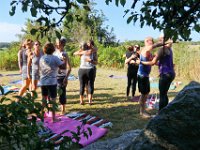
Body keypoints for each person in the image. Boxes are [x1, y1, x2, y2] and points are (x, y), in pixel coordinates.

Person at [137, 37, 169, 118]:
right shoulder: (145, 49)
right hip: (142, 76)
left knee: (146, 93)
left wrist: (163, 65)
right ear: (147, 42)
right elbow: (156, 45)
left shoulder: (149, 52)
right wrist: (166, 42)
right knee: (144, 94)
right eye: (152, 41)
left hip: (145, 76)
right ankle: (142, 112)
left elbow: (153, 62)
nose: (153, 42)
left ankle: (143, 109)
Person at [140, 35, 175, 111]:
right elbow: (161, 62)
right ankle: (165, 111)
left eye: (159, 39)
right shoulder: (169, 49)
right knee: (165, 93)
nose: (158, 41)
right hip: (171, 74)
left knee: (162, 95)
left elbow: (153, 62)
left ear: (162, 40)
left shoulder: (162, 49)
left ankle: (161, 114)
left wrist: (141, 62)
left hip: (165, 74)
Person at [39, 42, 65, 122]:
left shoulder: (42, 58)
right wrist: (64, 60)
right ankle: (53, 118)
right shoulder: (55, 58)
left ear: (44, 50)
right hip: (52, 82)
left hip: (43, 81)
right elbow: (63, 67)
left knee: (44, 99)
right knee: (53, 100)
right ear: (53, 50)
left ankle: (42, 116)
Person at [54, 37, 71, 114]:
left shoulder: (65, 54)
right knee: (52, 94)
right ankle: (52, 110)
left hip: (61, 77)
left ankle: (63, 110)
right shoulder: (53, 53)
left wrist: (66, 78)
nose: (57, 45)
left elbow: (69, 67)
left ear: (63, 44)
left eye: (59, 44)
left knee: (62, 93)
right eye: (56, 43)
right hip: (53, 77)